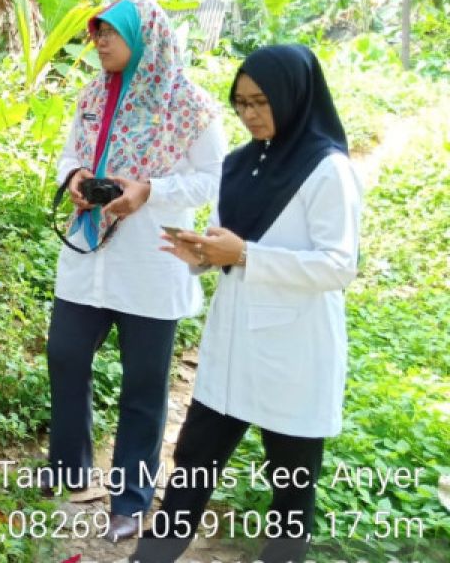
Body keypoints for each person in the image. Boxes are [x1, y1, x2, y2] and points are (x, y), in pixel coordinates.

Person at [132, 44, 362, 563]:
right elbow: (228, 248)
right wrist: (204, 254)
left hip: (295, 355)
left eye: (262, 101)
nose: (250, 114)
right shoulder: (237, 165)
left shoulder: (328, 171)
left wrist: (247, 255)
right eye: (241, 103)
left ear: (294, 97)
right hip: (232, 350)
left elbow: (338, 266)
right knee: (192, 463)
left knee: (290, 491)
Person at [42, 0, 225, 542]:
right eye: (95, 33)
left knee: (144, 386)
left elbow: (215, 179)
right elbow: (69, 151)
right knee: (65, 353)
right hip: (90, 253)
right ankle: (69, 466)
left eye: (108, 34)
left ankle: (131, 498)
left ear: (145, 39)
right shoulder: (92, 95)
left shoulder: (189, 106)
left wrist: (152, 191)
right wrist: (75, 177)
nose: (97, 42)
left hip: (151, 261)